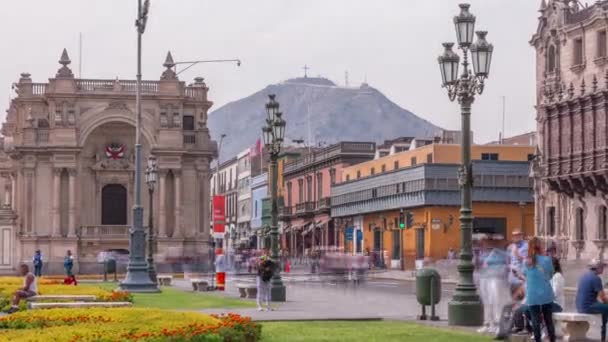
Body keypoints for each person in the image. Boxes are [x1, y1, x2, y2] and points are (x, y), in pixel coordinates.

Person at [522, 237, 555, 342]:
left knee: (535, 321)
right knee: (548, 320)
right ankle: (552, 340)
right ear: (540, 246)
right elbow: (550, 274)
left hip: (532, 294)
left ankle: (537, 340)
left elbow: (525, 274)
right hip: (546, 293)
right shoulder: (546, 259)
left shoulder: (526, 261)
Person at [575, 258, 608, 342]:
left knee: (604, 308)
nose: (603, 269)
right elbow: (603, 298)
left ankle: (603, 333)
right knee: (606, 308)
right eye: (602, 267)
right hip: (588, 307)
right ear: (597, 268)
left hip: (580, 306)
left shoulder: (584, 276)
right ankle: (603, 334)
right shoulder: (596, 279)